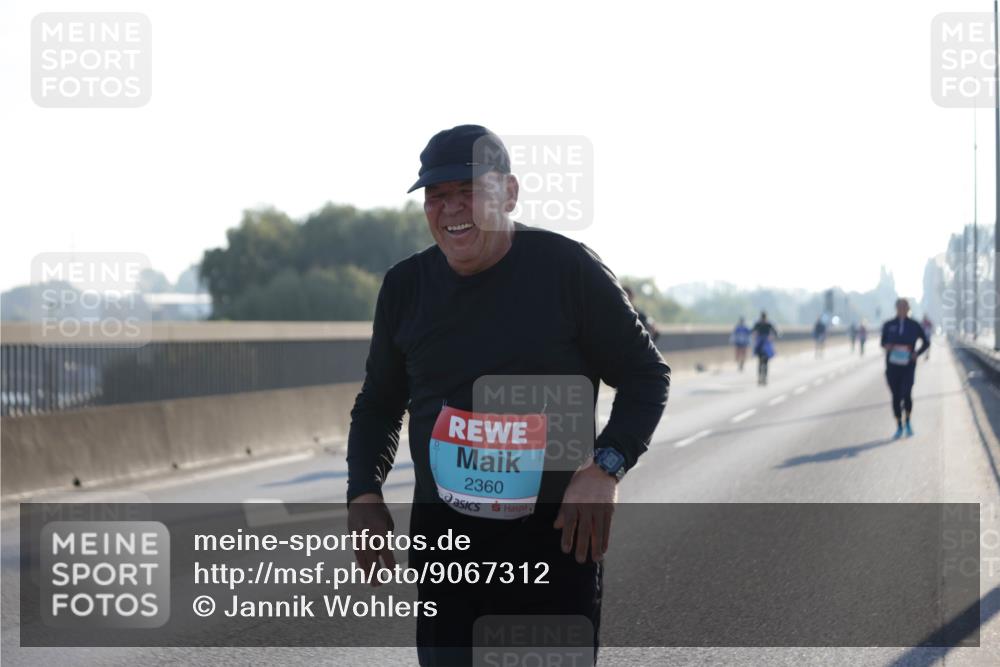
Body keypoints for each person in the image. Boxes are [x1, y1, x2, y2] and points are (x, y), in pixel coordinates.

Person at [346, 125, 670, 666]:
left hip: (553, 551)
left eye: (467, 191)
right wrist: (364, 493)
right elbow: (379, 403)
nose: (451, 209)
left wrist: (606, 467)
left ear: (510, 193)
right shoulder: (405, 288)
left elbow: (646, 375)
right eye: (437, 196)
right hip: (447, 555)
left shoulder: (569, 271)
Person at [880, 298, 930, 439]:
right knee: (895, 396)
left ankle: (907, 421)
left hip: (908, 365)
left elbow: (926, 342)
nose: (902, 309)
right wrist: (887, 346)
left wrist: (917, 353)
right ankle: (898, 425)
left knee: (907, 393)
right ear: (896, 308)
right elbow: (882, 342)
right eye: (900, 307)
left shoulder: (914, 325)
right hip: (892, 366)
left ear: (909, 308)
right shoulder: (889, 325)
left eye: (905, 307)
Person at [752, 311, 778, 386]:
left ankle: (761, 378)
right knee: (764, 362)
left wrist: (755, 337)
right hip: (765, 344)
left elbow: (752, 331)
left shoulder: (758, 323)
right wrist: (772, 337)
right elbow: (776, 332)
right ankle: (764, 378)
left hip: (761, 344)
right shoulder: (768, 323)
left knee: (760, 362)